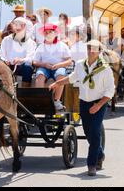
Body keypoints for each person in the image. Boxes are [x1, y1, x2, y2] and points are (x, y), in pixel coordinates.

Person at [49, 40, 115, 176]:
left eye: (94, 49)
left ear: (99, 52)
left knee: (95, 132)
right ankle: (100, 154)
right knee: (88, 132)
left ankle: (91, 165)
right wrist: (57, 83)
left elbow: (110, 90)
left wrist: (98, 106)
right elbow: (72, 78)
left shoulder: (105, 68)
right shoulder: (80, 65)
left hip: (99, 103)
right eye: (89, 48)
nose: (91, 51)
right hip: (84, 102)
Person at [33, 23, 72, 111]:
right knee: (39, 75)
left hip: (58, 67)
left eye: (50, 32)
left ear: (55, 33)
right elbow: (34, 61)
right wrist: (44, 64)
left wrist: (59, 65)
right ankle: (40, 100)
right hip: (44, 68)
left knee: (61, 74)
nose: (48, 34)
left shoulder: (62, 45)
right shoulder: (41, 46)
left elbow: (69, 60)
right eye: (46, 32)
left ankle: (56, 101)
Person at [0, 17, 36, 87]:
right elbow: (1, 55)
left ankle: (24, 92)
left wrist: (21, 60)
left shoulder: (30, 42)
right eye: (15, 24)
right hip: (7, 65)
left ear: (24, 26)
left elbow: (30, 58)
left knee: (27, 67)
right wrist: (5, 61)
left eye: (21, 25)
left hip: (22, 67)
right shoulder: (6, 40)